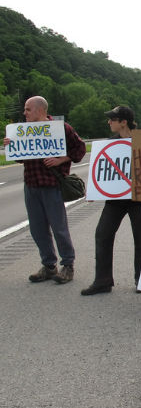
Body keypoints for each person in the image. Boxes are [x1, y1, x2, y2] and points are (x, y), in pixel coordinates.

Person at [3, 96, 85, 284]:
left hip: (52, 185)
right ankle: (49, 265)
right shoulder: (22, 131)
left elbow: (79, 149)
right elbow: (21, 158)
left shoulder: (61, 128)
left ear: (40, 111)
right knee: (37, 229)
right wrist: (13, 146)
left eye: (27, 109)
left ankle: (68, 265)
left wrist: (62, 159)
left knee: (59, 227)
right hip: (31, 184)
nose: (24, 113)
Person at [81, 106, 141, 295]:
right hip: (115, 200)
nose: (109, 122)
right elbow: (103, 169)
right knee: (103, 234)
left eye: (113, 119)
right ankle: (102, 280)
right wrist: (95, 190)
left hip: (138, 198)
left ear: (123, 122)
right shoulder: (109, 144)